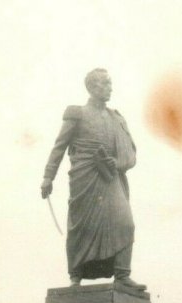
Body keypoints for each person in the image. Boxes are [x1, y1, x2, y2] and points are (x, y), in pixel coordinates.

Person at [41, 68, 145, 290]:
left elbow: (130, 153)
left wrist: (115, 163)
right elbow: (59, 147)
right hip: (84, 177)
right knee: (81, 226)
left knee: (125, 222)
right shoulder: (76, 113)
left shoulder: (116, 118)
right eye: (104, 84)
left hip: (110, 176)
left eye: (110, 83)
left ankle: (122, 275)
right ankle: (75, 277)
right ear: (91, 87)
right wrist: (48, 177)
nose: (110, 88)